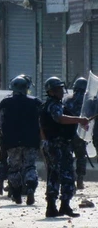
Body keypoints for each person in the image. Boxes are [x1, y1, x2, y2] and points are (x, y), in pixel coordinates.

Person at [41, 76, 89, 218]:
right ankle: (64, 205)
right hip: (58, 145)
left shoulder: (49, 105)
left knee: (53, 175)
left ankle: (52, 207)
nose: (62, 92)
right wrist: (80, 120)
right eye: (58, 89)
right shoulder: (54, 105)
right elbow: (59, 118)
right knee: (67, 175)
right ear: (52, 92)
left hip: (52, 144)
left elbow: (42, 128)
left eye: (62, 88)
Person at [0, 76, 42, 205]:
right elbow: (41, 121)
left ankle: (16, 194)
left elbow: (0, 121)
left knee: (14, 167)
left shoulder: (5, 103)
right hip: (31, 140)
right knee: (30, 166)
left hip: (12, 141)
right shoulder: (36, 102)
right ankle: (31, 187)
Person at [63, 77, 88, 190]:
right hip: (81, 133)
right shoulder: (88, 101)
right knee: (81, 157)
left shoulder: (67, 99)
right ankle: (80, 179)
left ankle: (69, 179)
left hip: (67, 133)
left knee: (67, 157)